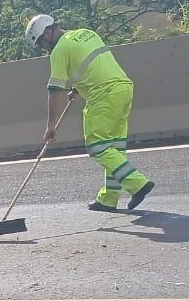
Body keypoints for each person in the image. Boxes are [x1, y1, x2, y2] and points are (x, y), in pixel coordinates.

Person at [25, 14, 154, 213]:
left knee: (98, 146)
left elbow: (54, 90)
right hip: (123, 88)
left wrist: (50, 126)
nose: (43, 47)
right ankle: (109, 199)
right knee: (114, 148)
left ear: (48, 32)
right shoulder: (85, 33)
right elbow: (90, 64)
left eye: (41, 42)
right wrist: (77, 87)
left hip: (103, 96)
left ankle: (137, 183)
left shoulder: (59, 50)